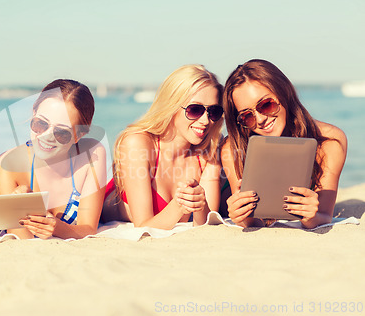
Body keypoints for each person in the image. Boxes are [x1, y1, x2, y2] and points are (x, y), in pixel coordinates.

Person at [221, 59, 347, 228]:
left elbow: (324, 214)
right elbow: (253, 220)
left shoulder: (329, 142)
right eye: (247, 116)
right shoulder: (232, 148)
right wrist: (244, 217)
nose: (260, 120)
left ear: (284, 92)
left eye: (266, 105)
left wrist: (311, 217)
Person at [104, 65, 224, 229]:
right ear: (172, 106)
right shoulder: (137, 144)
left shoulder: (208, 152)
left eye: (214, 111)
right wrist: (179, 204)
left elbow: (206, 225)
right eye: (195, 109)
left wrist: (199, 206)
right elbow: (144, 225)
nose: (205, 120)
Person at [0, 79, 106, 239]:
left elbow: (89, 229)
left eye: (61, 132)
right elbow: (22, 239)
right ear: (33, 114)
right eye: (40, 124)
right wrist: (23, 207)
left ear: (79, 135)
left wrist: (57, 228)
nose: (47, 137)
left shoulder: (91, 154)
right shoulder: (7, 165)